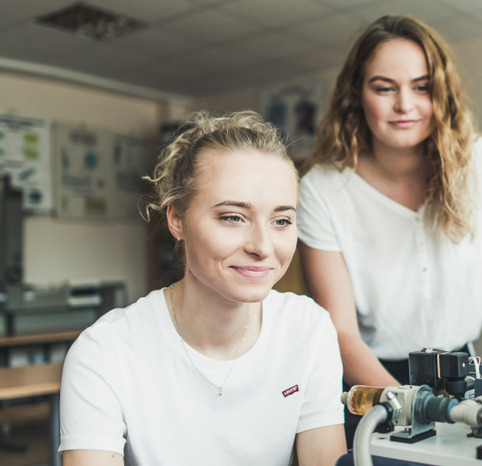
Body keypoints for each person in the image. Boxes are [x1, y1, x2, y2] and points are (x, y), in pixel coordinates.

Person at [59, 111, 346, 466]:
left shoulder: (308, 329)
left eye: (282, 220)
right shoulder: (105, 354)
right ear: (177, 219)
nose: (263, 246)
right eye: (233, 217)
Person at [298, 15, 482, 391]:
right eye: (384, 88)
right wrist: (412, 406)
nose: (405, 105)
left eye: (422, 87)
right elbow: (339, 330)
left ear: (441, 93)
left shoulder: (480, 162)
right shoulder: (321, 190)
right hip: (372, 381)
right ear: (357, 94)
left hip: (466, 372)